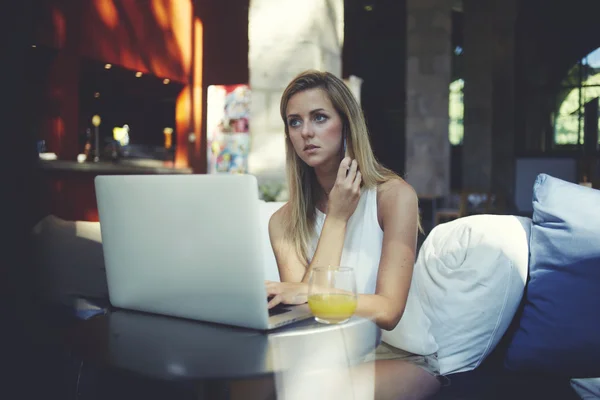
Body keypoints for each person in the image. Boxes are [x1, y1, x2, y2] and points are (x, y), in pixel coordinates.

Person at [264, 70, 442, 399]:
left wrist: (338, 216)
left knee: (308, 392)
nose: (306, 132)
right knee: (245, 386)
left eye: (319, 118)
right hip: (326, 359)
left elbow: (388, 311)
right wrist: (336, 217)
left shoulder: (395, 197)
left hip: (401, 357)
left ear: (347, 125)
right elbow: (308, 318)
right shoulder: (282, 221)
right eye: (294, 122)